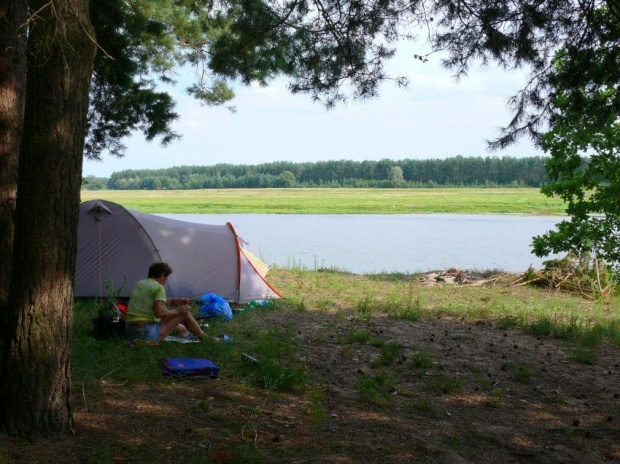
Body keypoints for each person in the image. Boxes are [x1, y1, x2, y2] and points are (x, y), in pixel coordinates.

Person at [126, 262, 206, 342]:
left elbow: (152, 302)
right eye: (167, 278)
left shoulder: (141, 283)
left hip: (131, 333)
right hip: (147, 334)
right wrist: (179, 310)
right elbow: (159, 313)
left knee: (168, 311)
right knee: (184, 313)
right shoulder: (159, 287)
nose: (166, 281)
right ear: (162, 275)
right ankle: (205, 338)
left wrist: (174, 301)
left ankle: (184, 331)